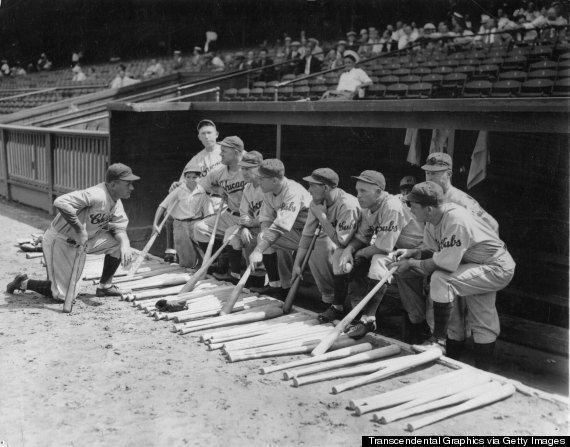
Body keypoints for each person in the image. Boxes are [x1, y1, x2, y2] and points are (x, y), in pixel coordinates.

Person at [390, 181, 515, 368]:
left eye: (414, 206)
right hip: (476, 265)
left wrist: (412, 264)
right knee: (483, 320)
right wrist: (412, 252)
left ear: (429, 209)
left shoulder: (455, 219)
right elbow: (435, 250)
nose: (411, 209)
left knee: (441, 279)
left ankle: (437, 340)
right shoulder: (433, 219)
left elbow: (446, 263)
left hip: (495, 266)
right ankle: (479, 372)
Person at [6, 163, 140, 303]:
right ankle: (24, 282)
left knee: (118, 245)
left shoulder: (116, 201)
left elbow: (118, 227)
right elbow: (61, 202)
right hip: (61, 241)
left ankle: (105, 287)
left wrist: (125, 243)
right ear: (113, 185)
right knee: (63, 296)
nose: (132, 188)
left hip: (86, 241)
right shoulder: (97, 194)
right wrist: (80, 230)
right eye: (128, 184)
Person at [337, 170, 425, 339]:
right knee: (361, 259)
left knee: (377, 260)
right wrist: (349, 250)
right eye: (357, 191)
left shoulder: (391, 206)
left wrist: (359, 253)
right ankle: (363, 316)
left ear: (378, 192)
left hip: (418, 252)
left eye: (363, 191)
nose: (358, 196)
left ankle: (369, 318)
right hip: (397, 251)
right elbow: (361, 237)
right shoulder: (369, 208)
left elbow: (383, 247)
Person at [294, 168, 360, 323]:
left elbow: (342, 241)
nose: (309, 190)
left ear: (325, 187)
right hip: (345, 245)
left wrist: (322, 217)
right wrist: (297, 263)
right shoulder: (316, 203)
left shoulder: (347, 204)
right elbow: (307, 235)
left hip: (361, 244)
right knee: (317, 245)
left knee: (338, 254)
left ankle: (338, 306)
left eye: (312, 186)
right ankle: (331, 301)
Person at [248, 159, 312, 298]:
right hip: (294, 231)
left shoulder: (292, 191)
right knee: (264, 236)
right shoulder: (269, 189)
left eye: (261, 179)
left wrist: (258, 250)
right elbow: (266, 218)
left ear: (275, 180)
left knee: (268, 239)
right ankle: (277, 286)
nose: (258, 182)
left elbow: (279, 227)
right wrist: (264, 233)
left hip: (313, 235)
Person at [164, 119, 222, 263]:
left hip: (224, 197)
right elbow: (184, 182)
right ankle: (171, 251)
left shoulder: (226, 150)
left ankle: (215, 259)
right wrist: (177, 185)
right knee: (171, 211)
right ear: (199, 137)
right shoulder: (197, 159)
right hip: (206, 197)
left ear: (217, 134)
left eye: (209, 132)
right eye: (203, 134)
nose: (207, 136)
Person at [223, 151, 281, 290]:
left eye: (248, 168)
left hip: (275, 230)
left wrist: (252, 223)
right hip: (255, 228)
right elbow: (243, 214)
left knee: (264, 236)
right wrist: (243, 228)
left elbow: (276, 217)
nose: (244, 172)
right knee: (231, 233)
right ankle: (236, 276)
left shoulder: (268, 186)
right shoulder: (248, 187)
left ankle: (275, 285)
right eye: (242, 168)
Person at [193, 136, 247, 283]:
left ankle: (236, 272)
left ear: (236, 152)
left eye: (224, 151)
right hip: (230, 214)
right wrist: (216, 189)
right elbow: (201, 185)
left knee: (234, 236)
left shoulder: (249, 168)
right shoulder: (220, 171)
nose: (220, 154)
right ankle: (220, 262)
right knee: (200, 228)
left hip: (250, 218)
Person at [153, 163, 214, 268]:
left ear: (200, 178)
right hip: (180, 225)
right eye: (188, 177)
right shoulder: (179, 190)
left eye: (194, 177)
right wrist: (155, 224)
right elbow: (162, 206)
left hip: (196, 223)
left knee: (202, 253)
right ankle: (187, 272)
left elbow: (209, 213)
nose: (191, 180)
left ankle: (201, 271)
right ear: (184, 178)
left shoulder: (202, 192)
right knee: (186, 259)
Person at [421, 152, 499, 232]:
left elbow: (492, 225)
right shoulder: (429, 198)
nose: (429, 178)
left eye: (434, 173)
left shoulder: (460, 200)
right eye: (427, 173)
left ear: (449, 174)